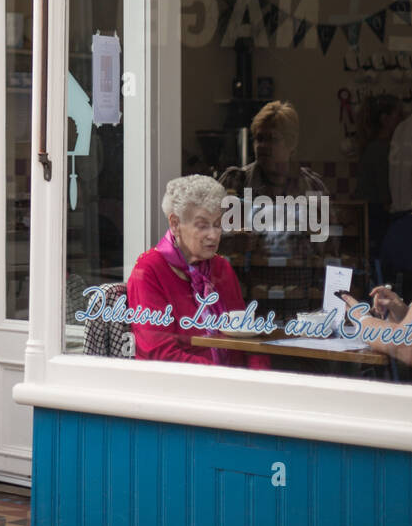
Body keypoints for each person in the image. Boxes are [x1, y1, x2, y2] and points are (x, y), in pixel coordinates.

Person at [126, 175, 270, 367]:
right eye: (202, 226)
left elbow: (248, 338)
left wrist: (259, 376)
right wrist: (223, 376)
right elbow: (159, 353)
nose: (214, 235)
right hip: (186, 382)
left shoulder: (221, 267)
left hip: (233, 380)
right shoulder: (149, 270)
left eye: (217, 224)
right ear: (175, 224)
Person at [219, 100, 327, 253]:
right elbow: (202, 238)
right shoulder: (235, 181)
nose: (262, 145)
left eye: (272, 139)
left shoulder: (312, 187)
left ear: (291, 144)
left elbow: (330, 248)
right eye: (259, 138)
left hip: (298, 269)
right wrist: (230, 241)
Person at [355, 95, 403, 262]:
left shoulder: (378, 146)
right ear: (385, 119)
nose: (402, 120)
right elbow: (385, 193)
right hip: (375, 216)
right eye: (398, 115)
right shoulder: (381, 149)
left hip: (373, 214)